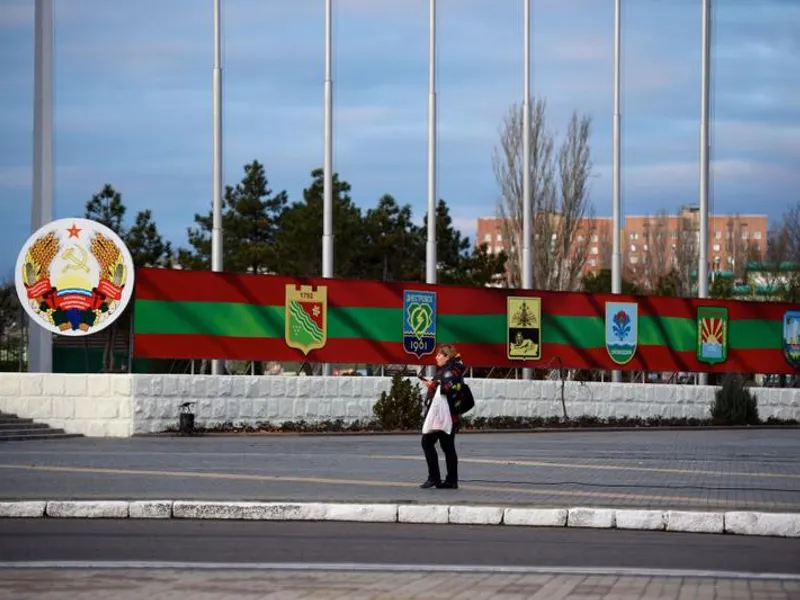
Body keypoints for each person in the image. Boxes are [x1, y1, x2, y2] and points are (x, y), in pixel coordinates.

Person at [420, 344, 466, 489]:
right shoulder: (451, 370)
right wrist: (433, 384)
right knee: (447, 446)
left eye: (439, 355)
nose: (436, 357)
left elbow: (446, 388)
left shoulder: (450, 371)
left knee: (428, 443)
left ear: (447, 357)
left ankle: (436, 478)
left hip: (445, 417)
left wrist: (433, 385)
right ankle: (450, 480)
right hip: (448, 416)